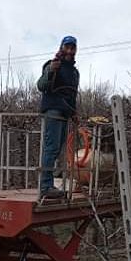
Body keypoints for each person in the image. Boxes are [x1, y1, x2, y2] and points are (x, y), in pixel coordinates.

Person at [36, 35, 80, 199]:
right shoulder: (52, 64)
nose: (69, 50)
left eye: (72, 48)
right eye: (67, 47)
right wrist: (50, 72)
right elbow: (41, 86)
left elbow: (72, 95)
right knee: (51, 147)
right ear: (62, 47)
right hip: (53, 110)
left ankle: (51, 184)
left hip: (65, 113)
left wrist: (74, 113)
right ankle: (46, 186)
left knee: (59, 147)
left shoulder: (75, 72)